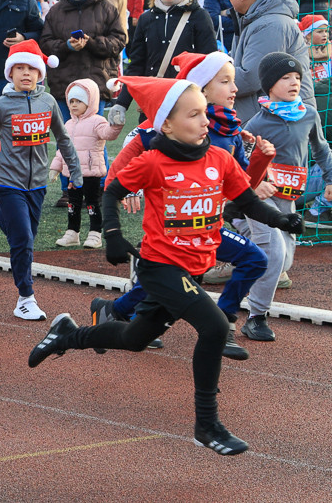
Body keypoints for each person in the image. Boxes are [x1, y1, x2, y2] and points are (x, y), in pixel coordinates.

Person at [28, 75, 303, 457]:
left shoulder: (219, 159)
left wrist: (281, 220)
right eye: (194, 115)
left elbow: (249, 202)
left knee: (133, 339)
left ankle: (67, 335)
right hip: (160, 269)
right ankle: (206, 425)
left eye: (205, 113)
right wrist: (112, 236)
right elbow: (112, 191)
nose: (206, 121)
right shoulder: (153, 163)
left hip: (194, 269)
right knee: (213, 325)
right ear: (167, 125)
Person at [96, 51, 275, 360]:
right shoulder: (167, 127)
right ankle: (223, 326)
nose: (235, 89)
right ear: (201, 89)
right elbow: (129, 157)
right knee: (186, 275)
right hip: (174, 228)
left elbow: (241, 186)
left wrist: (261, 158)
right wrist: (122, 190)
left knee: (243, 263)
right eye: (225, 81)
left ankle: (115, 309)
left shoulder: (231, 129)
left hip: (209, 226)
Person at [0, 40, 80, 321]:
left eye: (32, 68)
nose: (26, 73)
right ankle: (25, 297)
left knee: (21, 236)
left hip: (38, 183)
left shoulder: (48, 101)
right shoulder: (1, 105)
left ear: (41, 73)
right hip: (7, 180)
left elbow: (62, 138)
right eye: (20, 68)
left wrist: (74, 171)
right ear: (10, 73)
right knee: (23, 239)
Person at [241, 52, 332, 341]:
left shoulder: (308, 114)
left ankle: (243, 242)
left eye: (297, 77)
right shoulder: (256, 124)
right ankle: (256, 317)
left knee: (285, 259)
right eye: (285, 78)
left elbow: (321, 148)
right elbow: (241, 163)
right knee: (274, 252)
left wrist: (330, 178)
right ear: (269, 86)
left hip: (288, 197)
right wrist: (252, 188)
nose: (294, 82)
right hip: (261, 198)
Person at [110, 0, 218, 126]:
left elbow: (209, 63)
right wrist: (122, 104)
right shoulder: (146, 19)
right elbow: (137, 64)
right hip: (153, 103)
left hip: (187, 102)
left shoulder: (199, 16)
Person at [228, 0, 314, 121]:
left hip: (282, 122)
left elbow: (252, 78)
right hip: (273, 118)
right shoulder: (257, 19)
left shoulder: (269, 26)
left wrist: (214, 79)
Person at [41, 0, 127, 115]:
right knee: (67, 136)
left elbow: (119, 40)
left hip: (96, 85)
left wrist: (92, 43)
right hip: (64, 86)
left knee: (92, 136)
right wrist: (66, 46)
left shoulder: (106, 8)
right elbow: (45, 43)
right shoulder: (55, 12)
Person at [51, 79, 123, 248]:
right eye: (72, 101)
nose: (74, 105)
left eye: (79, 101)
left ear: (90, 102)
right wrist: (56, 166)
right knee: (72, 204)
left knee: (92, 204)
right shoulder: (68, 124)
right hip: (73, 174)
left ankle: (95, 234)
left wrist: (116, 124)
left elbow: (108, 134)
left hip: (91, 173)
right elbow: (62, 148)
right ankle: (72, 232)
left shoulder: (97, 121)